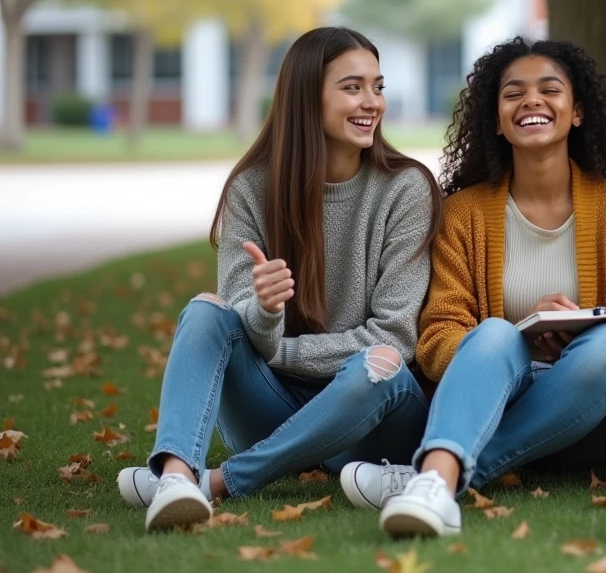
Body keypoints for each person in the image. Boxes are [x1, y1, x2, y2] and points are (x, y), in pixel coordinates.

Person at [341, 38, 606, 538]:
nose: (532, 102)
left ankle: (432, 477)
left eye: (550, 90)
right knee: (495, 333)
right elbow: (435, 344)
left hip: (593, 418)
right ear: (496, 120)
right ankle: (440, 478)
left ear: (578, 111)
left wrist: (579, 337)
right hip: (493, 407)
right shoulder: (461, 216)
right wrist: (521, 338)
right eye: (513, 93)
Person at [116, 27, 440, 531]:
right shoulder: (251, 188)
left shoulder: (406, 189)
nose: (372, 102)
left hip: (368, 419)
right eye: (352, 87)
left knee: (380, 364)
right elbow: (238, 319)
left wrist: (281, 351)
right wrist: (264, 312)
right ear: (306, 96)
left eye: (377, 87)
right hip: (272, 409)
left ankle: (218, 483)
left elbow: (397, 335)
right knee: (206, 310)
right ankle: (177, 478)